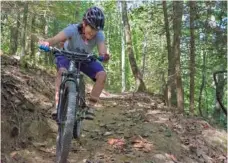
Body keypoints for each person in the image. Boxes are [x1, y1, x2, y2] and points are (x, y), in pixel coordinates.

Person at [39, 6, 110, 120]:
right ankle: (57, 105)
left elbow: (102, 52)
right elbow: (54, 39)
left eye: (96, 30)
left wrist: (104, 56)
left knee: (102, 75)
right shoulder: (72, 29)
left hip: (84, 58)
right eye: (91, 28)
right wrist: (46, 43)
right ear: (84, 23)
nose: (93, 32)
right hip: (66, 55)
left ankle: (91, 106)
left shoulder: (99, 35)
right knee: (62, 72)